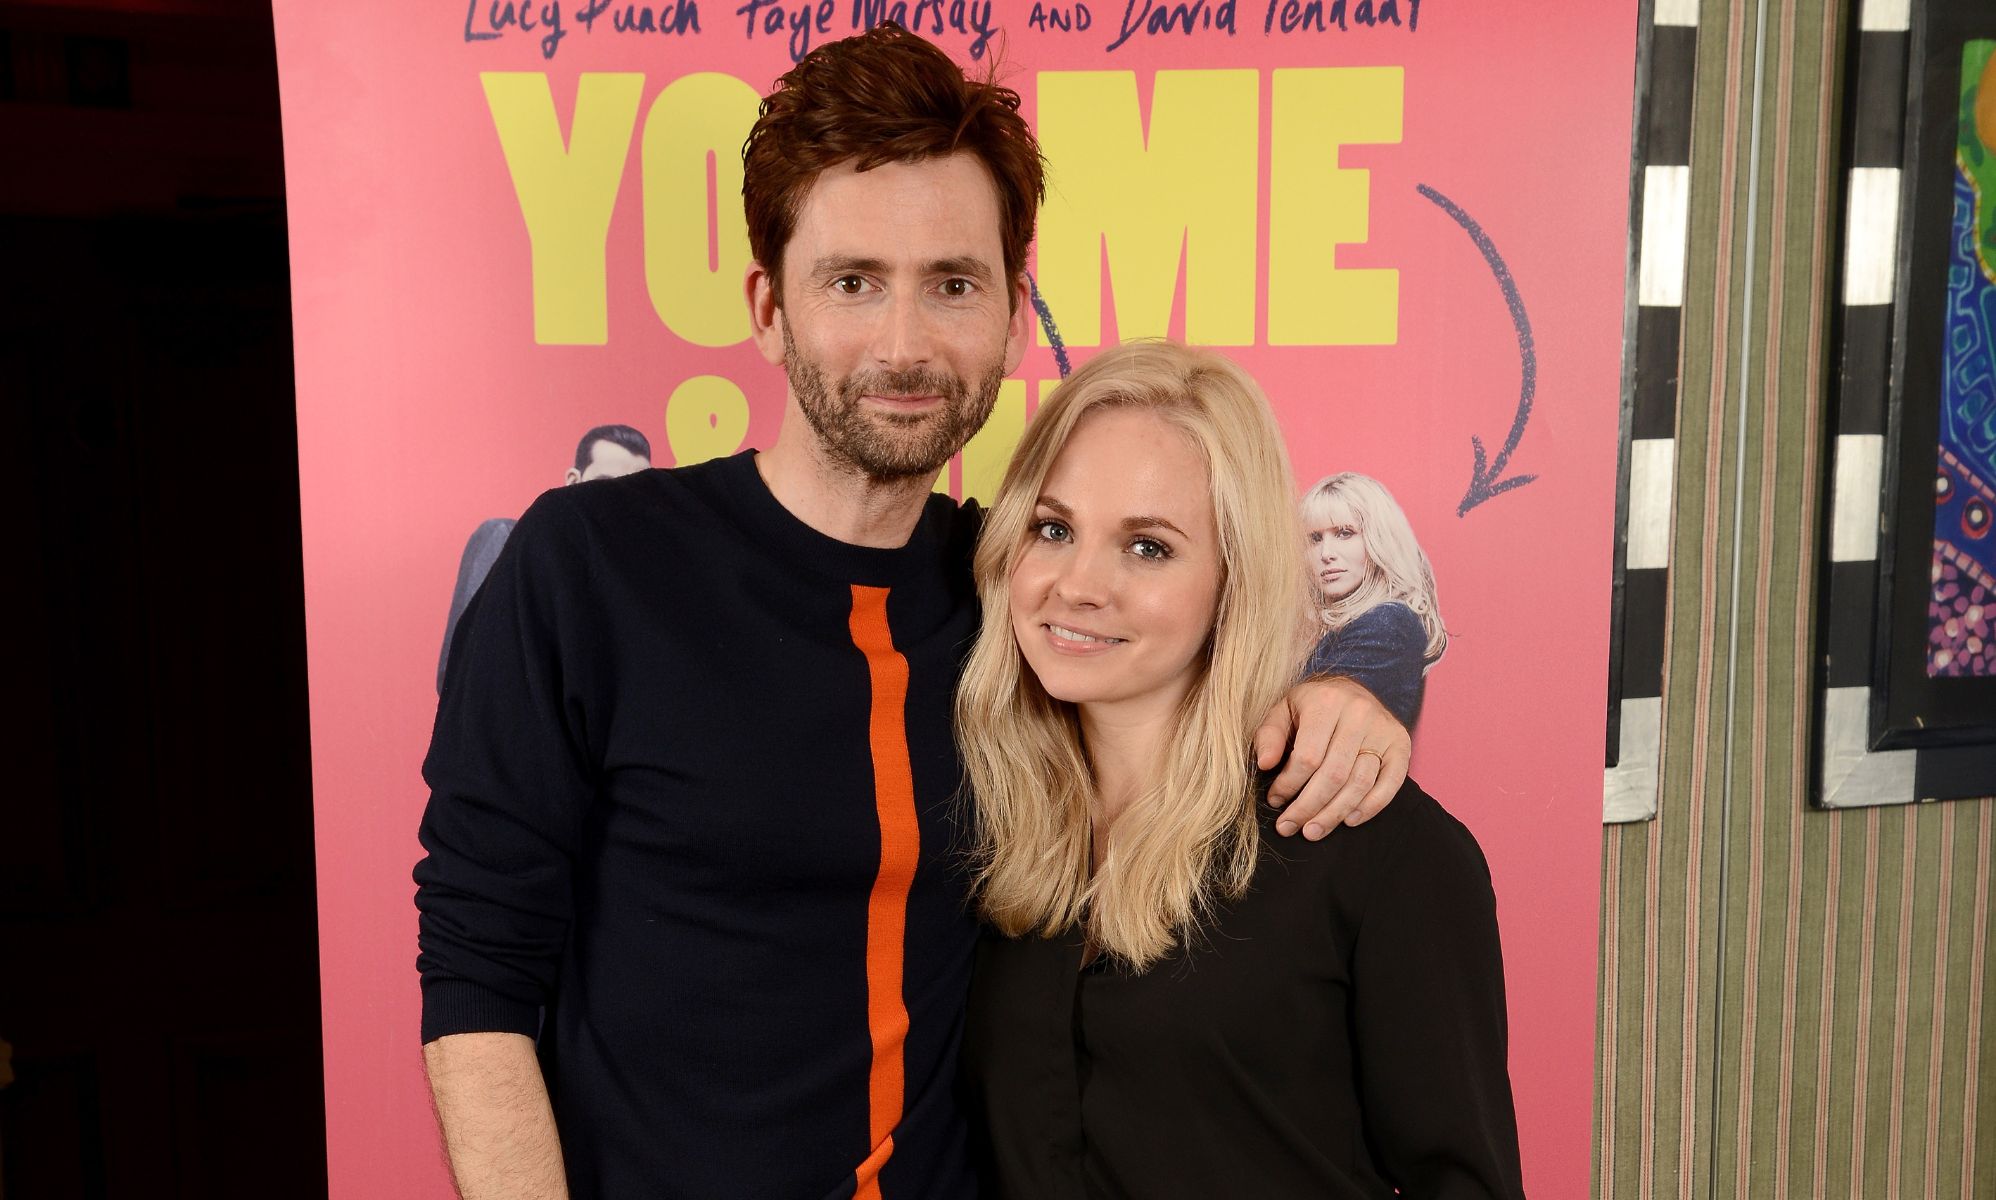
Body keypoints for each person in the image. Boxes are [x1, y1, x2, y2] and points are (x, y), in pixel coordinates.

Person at [414, 25, 1413, 1200]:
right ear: (768, 308)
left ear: (1009, 311)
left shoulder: (1018, 591)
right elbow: (478, 972)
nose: (904, 344)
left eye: (951, 285)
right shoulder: (589, 566)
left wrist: (1345, 695)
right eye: (851, 283)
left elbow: (1181, 682)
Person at [958, 342, 1522, 1199]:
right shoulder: (978, 819)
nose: (1077, 584)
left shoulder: (1378, 852)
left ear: (1236, 578)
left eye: (1147, 547)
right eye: (1053, 528)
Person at [436, 424, 652, 691]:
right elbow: (460, 671)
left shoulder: (643, 583)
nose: (618, 503)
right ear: (574, 481)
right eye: (605, 484)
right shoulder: (505, 541)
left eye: (634, 491)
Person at [1300, 471, 1447, 729]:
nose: (1326, 553)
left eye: (1345, 533)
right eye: (1315, 539)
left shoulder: (1388, 622)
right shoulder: (1346, 626)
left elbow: (1311, 729)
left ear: (1379, 538)